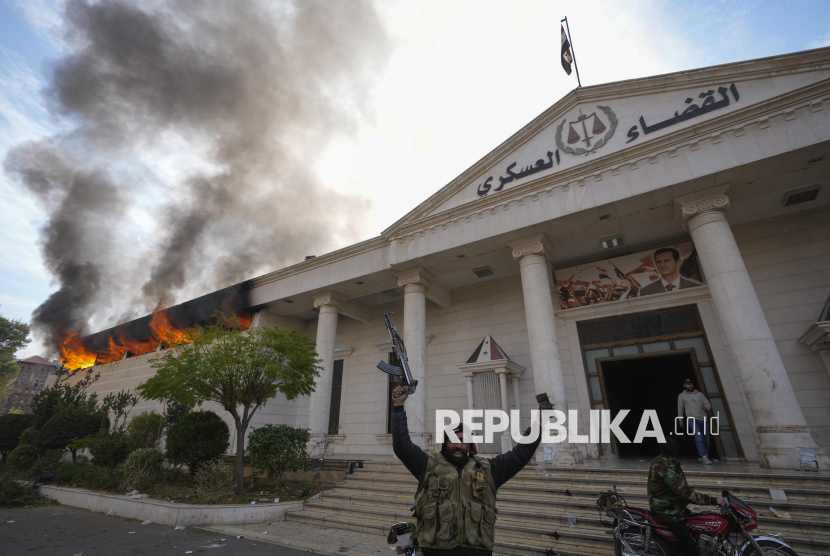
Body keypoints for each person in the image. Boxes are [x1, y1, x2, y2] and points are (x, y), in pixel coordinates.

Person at [390, 385, 542, 556]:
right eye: (453, 440)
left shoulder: (489, 469)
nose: (458, 445)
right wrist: (398, 406)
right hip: (435, 550)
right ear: (445, 444)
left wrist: (540, 423)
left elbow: (521, 453)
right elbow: (402, 446)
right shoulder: (427, 465)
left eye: (463, 440)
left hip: (476, 550)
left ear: (470, 445)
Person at [648, 438, 727, 556]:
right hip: (668, 512)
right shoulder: (666, 466)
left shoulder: (659, 460)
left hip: (671, 507)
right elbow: (686, 494)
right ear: (675, 451)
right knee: (692, 551)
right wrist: (715, 500)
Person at [677, 378, 713, 464]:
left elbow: (708, 404)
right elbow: (680, 408)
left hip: (703, 418)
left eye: (691, 384)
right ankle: (704, 456)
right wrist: (680, 419)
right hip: (692, 418)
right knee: (699, 437)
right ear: (684, 385)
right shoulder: (682, 396)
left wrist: (706, 407)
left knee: (706, 438)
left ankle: (705, 455)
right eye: (688, 384)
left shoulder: (700, 394)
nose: (690, 385)